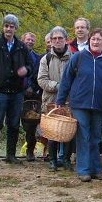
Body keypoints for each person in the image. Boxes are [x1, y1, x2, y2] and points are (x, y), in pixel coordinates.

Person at [56, 28, 102, 182]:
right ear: (89, 41)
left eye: (99, 39)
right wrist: (60, 100)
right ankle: (83, 170)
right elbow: (66, 79)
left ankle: (96, 169)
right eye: (93, 39)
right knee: (83, 136)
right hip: (79, 104)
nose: (96, 42)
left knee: (96, 138)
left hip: (99, 105)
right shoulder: (78, 57)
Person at [0, 14, 31, 165]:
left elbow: (31, 66)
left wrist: (26, 70)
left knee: (14, 124)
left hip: (17, 92)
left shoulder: (22, 47)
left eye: (11, 26)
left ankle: (10, 155)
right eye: (6, 26)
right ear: (3, 27)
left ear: (16, 29)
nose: (8, 29)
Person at [37, 26, 73, 172]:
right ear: (51, 41)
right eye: (54, 39)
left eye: (60, 38)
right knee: (52, 132)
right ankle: (52, 160)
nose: (57, 41)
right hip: (51, 100)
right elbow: (42, 80)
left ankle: (65, 159)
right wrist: (60, 86)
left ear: (66, 40)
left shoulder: (74, 57)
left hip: (70, 101)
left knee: (69, 131)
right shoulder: (45, 59)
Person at [20, 31, 43, 162]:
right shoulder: (17, 56)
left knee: (32, 123)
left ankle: (30, 150)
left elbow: (37, 74)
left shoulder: (38, 58)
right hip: (19, 93)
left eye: (32, 40)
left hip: (34, 94)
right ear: (23, 40)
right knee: (16, 122)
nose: (30, 42)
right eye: (28, 39)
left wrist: (33, 88)